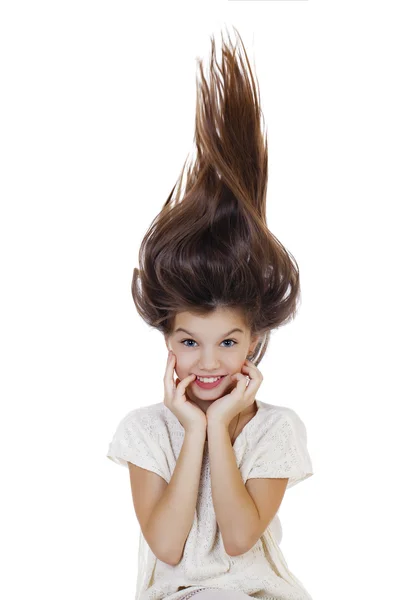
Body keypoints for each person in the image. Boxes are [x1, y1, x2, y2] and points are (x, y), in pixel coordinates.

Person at [107, 26, 314, 600]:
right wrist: (194, 427)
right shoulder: (145, 431)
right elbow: (168, 548)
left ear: (254, 343)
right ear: (168, 342)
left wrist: (222, 425)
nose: (207, 362)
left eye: (228, 342)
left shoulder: (276, 429)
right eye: (189, 341)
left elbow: (243, 538)